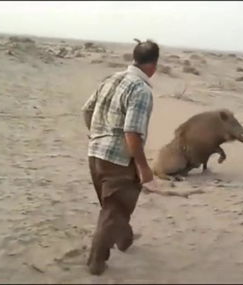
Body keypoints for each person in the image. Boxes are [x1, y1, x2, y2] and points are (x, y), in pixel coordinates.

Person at [81, 39, 160, 275]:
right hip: (118, 160)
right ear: (153, 66)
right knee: (114, 210)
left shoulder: (111, 79)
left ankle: (124, 240)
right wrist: (143, 167)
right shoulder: (141, 89)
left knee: (113, 207)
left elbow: (86, 110)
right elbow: (132, 132)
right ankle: (96, 262)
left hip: (95, 154)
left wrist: (97, 135)